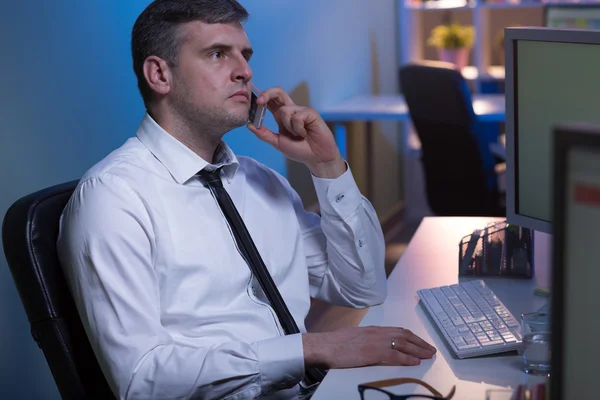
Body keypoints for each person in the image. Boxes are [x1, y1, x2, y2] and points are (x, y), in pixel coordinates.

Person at [57, 0, 437, 399]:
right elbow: (140, 380)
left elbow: (363, 290)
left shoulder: (260, 180)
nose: (245, 71)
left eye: (246, 55)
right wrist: (313, 348)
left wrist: (327, 167)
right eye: (218, 54)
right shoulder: (113, 198)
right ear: (159, 74)